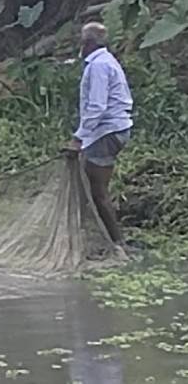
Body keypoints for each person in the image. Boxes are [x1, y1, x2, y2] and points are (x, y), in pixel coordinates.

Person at [63, 22, 133, 248]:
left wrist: (78, 138)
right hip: (111, 131)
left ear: (88, 43)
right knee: (90, 188)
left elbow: (97, 107)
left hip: (106, 132)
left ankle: (117, 243)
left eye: (82, 41)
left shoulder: (99, 66)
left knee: (97, 191)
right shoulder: (106, 62)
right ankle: (88, 238)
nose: (80, 46)